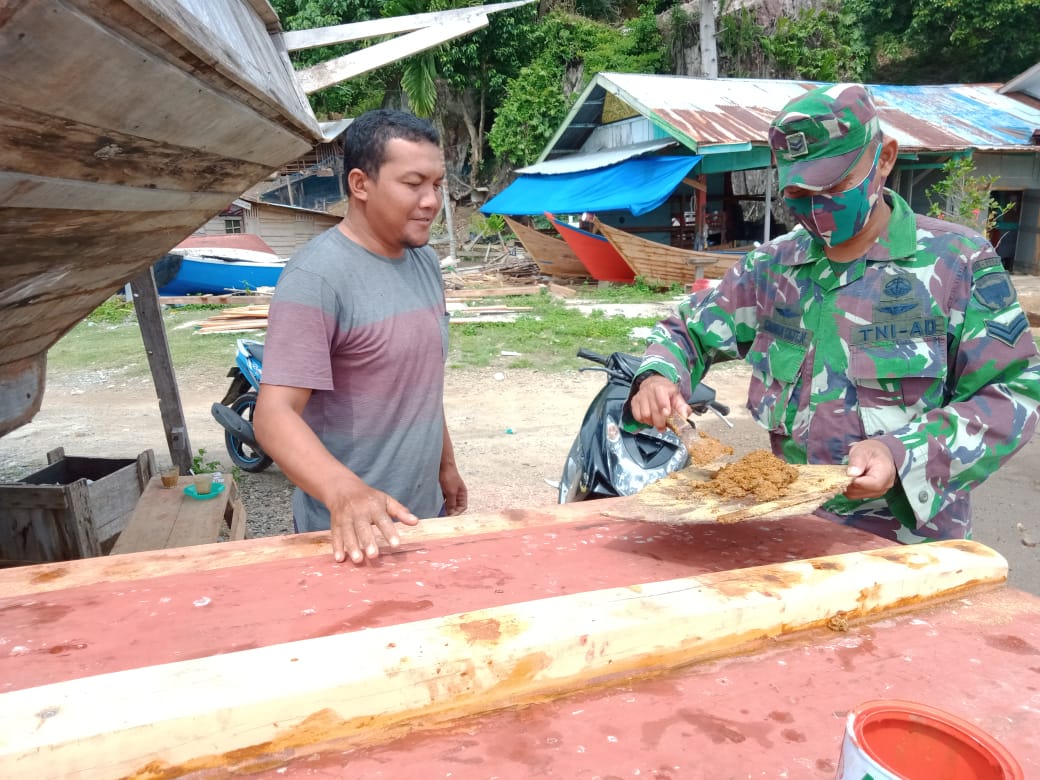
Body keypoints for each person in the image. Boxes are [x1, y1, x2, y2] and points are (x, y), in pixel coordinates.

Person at [625, 83, 1040, 543]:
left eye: (835, 186)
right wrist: (658, 376)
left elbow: (1016, 391)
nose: (816, 206)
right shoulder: (771, 268)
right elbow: (686, 331)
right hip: (789, 529)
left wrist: (902, 453)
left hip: (907, 546)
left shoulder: (957, 263)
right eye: (799, 192)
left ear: (884, 158)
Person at [254, 109, 467, 564]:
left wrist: (445, 466)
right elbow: (273, 415)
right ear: (360, 184)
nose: (431, 201)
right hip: (348, 534)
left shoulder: (424, 263)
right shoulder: (317, 277)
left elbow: (420, 385)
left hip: (419, 515)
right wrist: (344, 491)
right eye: (414, 184)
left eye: (437, 184)